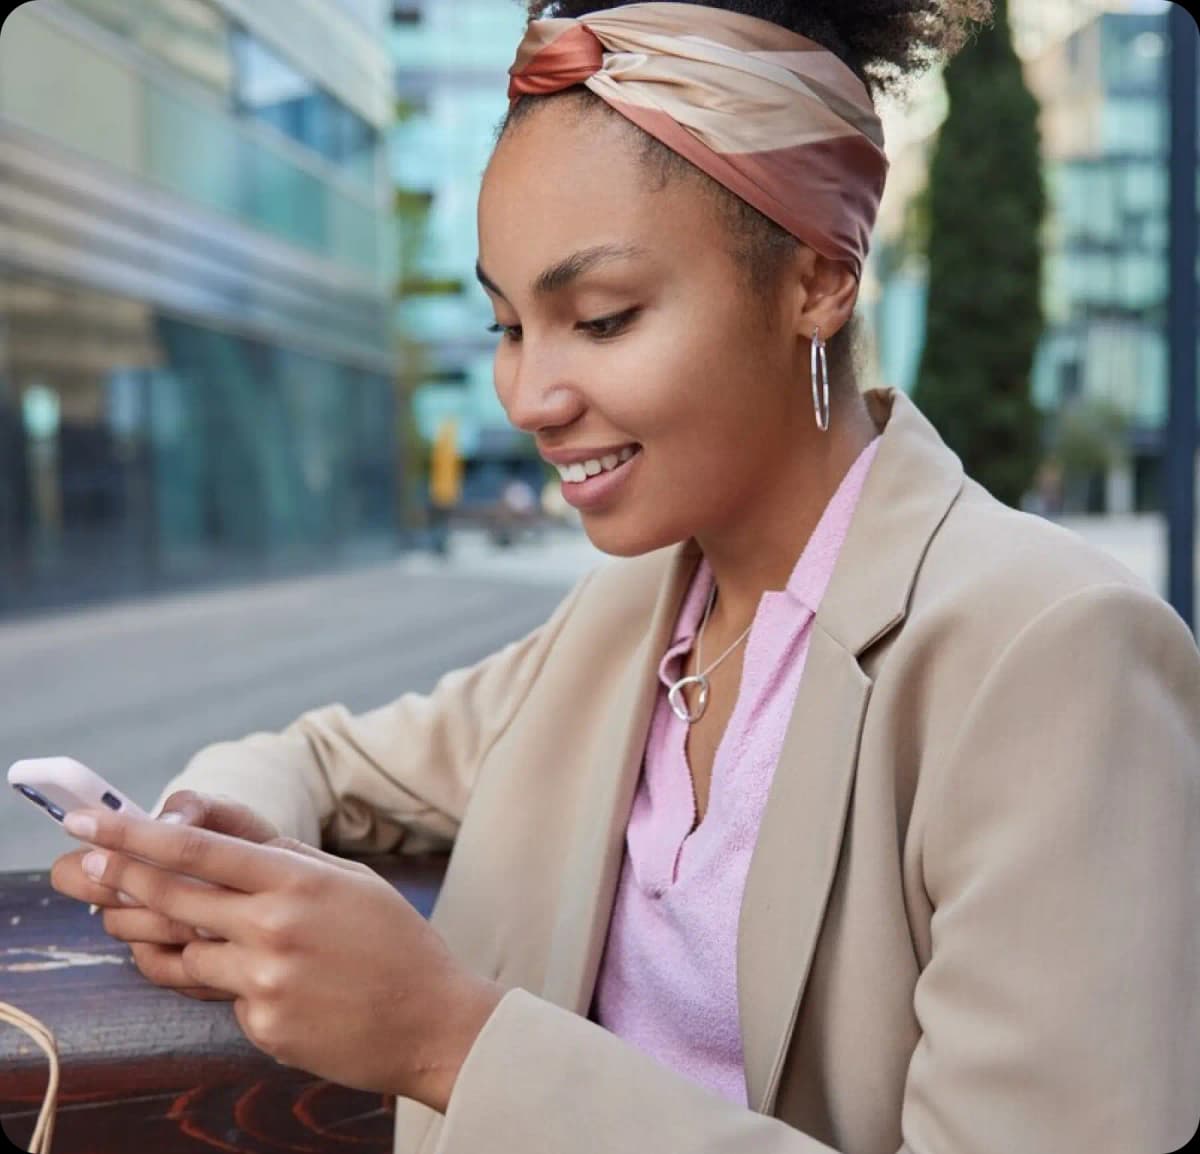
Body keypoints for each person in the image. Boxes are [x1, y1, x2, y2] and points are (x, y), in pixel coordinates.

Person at [51, 3, 1200, 1152]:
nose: (529, 394)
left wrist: (450, 1040)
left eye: (599, 319)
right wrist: (207, 843)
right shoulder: (633, 618)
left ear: (818, 279)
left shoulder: (1052, 657)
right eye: (508, 323)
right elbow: (321, 758)